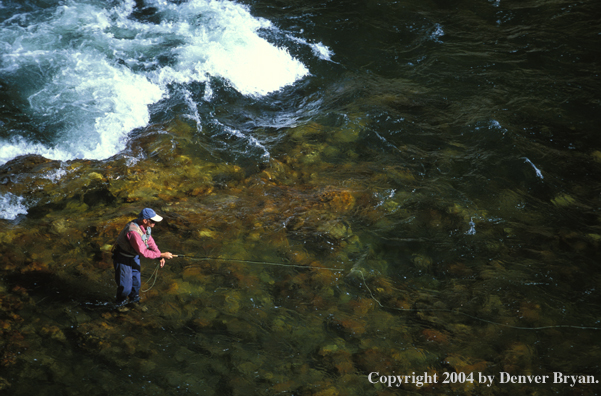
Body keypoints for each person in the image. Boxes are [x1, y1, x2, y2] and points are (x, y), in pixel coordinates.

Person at [112, 208, 173, 309]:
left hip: (134, 257)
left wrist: (158, 254)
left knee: (136, 283)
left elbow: (150, 242)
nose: (154, 223)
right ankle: (120, 304)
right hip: (123, 258)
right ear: (145, 220)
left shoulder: (146, 227)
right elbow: (143, 252)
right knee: (125, 288)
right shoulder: (133, 232)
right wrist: (161, 255)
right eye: (153, 221)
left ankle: (134, 301)